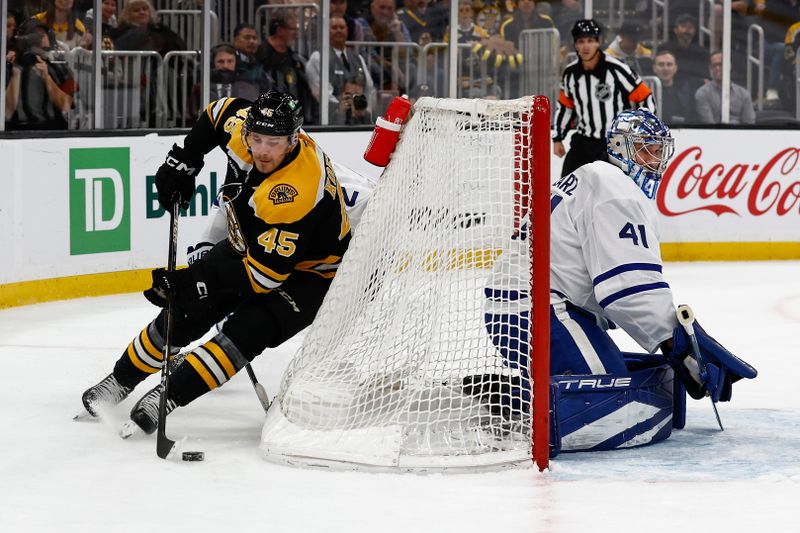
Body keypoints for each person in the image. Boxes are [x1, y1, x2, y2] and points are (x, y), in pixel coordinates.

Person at [79, 91, 357, 434]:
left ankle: (170, 394)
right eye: (257, 139)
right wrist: (186, 158)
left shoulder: (296, 189)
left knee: (248, 330)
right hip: (255, 247)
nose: (263, 150)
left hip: (314, 274)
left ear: (293, 138)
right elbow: (218, 111)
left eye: (274, 142)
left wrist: (190, 279)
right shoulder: (242, 131)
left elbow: (262, 278)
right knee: (188, 310)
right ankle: (120, 379)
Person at [483, 109, 757, 447]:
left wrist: (675, 339)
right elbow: (626, 290)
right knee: (608, 401)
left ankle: (525, 390)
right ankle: (511, 401)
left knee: (618, 383)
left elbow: (610, 284)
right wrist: (679, 342)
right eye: (645, 148)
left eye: (658, 150)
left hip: (528, 306)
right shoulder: (616, 189)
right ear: (619, 148)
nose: (655, 159)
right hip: (536, 309)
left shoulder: (596, 178)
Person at [553, 19, 656, 178]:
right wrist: (558, 138)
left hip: (615, 143)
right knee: (565, 190)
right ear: (575, 44)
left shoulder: (617, 69)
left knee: (614, 191)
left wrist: (643, 132)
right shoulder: (570, 73)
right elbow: (566, 107)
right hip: (583, 142)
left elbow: (645, 97)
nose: (586, 46)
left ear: (598, 42)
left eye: (590, 41)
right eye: (581, 41)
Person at [6, 19, 76, 130]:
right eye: (35, 36)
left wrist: (47, 78)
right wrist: (15, 71)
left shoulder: (62, 66)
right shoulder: (9, 66)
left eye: (43, 35)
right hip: (16, 131)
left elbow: (67, 105)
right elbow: (6, 112)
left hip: (52, 129)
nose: (40, 40)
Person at [305, 14, 375, 122]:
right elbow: (321, 94)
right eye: (334, 28)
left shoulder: (358, 58)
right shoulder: (318, 57)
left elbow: (369, 88)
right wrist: (341, 107)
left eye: (342, 27)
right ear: (326, 31)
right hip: (328, 122)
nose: (339, 30)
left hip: (357, 121)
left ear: (347, 31)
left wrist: (363, 108)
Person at [255, 11, 313, 123]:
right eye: (292, 29)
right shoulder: (261, 53)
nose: (296, 33)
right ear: (280, 30)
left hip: (291, 114)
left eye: (297, 30)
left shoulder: (294, 57)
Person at [694, 51, 756, 124]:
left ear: (729, 66)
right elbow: (709, 125)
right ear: (710, 68)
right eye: (714, 65)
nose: (717, 68)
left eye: (721, 64)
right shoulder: (702, 93)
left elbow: (749, 124)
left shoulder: (743, 94)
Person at [651, 48, 696, 124]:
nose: (665, 68)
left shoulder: (686, 92)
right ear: (654, 68)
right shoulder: (648, 93)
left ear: (675, 68)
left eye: (669, 64)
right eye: (661, 64)